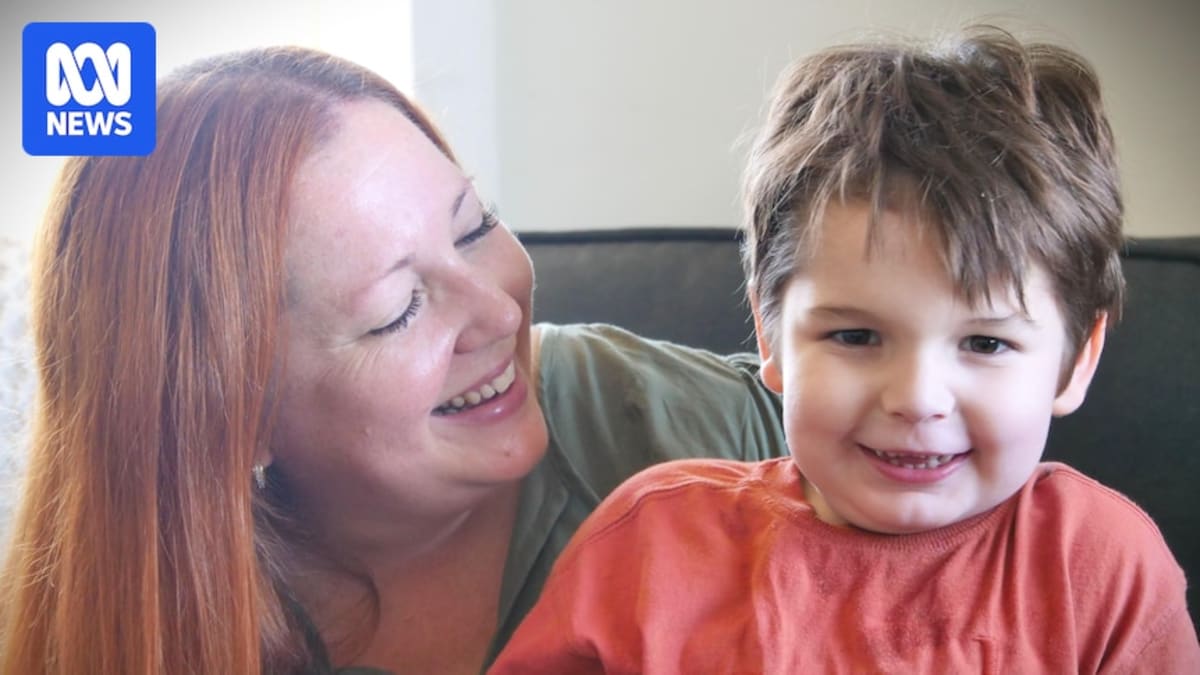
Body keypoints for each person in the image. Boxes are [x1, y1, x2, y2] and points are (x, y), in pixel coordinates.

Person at [0, 47, 786, 674]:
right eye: (397, 310)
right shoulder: (151, 621)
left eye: (476, 226)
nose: (501, 310)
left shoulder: (667, 420)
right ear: (236, 421)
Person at [489, 26, 1200, 673]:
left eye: (985, 342)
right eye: (856, 336)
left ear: (1077, 361)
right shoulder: (649, 544)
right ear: (770, 337)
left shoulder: (1101, 566)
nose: (917, 398)